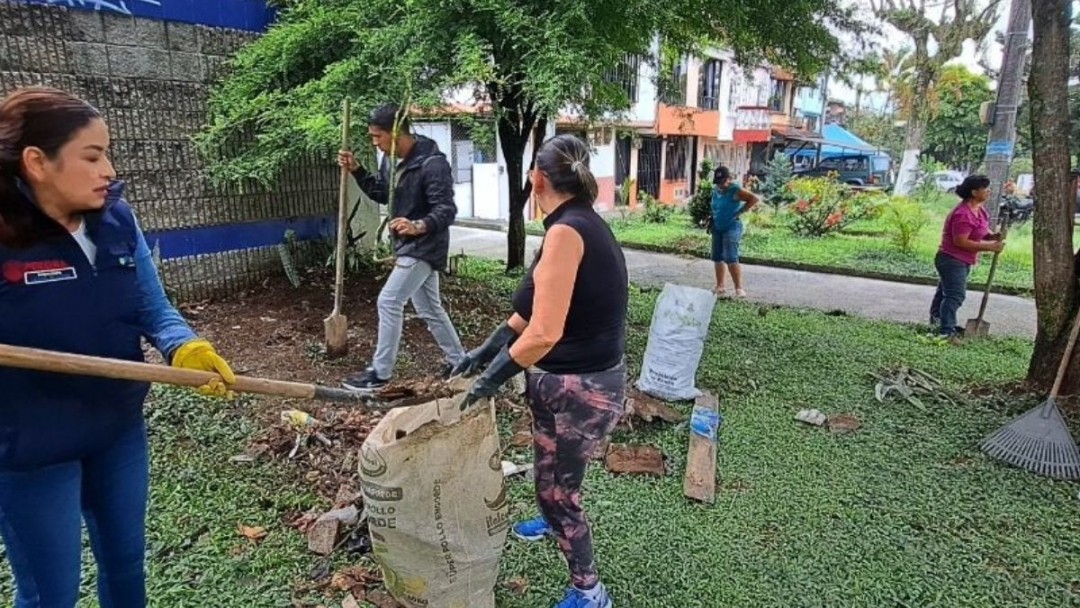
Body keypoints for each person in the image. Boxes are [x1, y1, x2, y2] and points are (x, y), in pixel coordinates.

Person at [0, 86, 235, 606]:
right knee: (49, 594)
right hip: (33, 447)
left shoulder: (116, 220)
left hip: (116, 431)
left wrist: (184, 346)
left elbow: (152, 307)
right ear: (38, 162)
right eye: (93, 156)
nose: (109, 169)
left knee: (127, 570)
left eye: (108, 153)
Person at [452, 134, 628, 608]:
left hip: (582, 389)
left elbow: (545, 333)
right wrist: (486, 349)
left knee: (559, 492)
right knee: (549, 477)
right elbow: (532, 310)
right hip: (566, 384)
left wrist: (491, 379)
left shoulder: (568, 233)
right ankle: (552, 524)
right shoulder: (573, 224)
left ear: (538, 178)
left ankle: (591, 593)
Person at [337, 104, 464, 391]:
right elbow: (383, 194)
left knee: (389, 301)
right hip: (408, 245)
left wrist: (418, 225)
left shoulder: (432, 163)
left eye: (377, 137)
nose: (375, 143)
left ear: (396, 134)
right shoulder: (390, 161)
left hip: (424, 246)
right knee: (429, 307)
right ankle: (460, 362)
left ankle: (380, 373)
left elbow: (446, 210)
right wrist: (357, 171)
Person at [930, 174, 1005, 339]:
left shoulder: (980, 210)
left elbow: (981, 231)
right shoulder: (963, 213)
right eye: (985, 189)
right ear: (974, 192)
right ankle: (947, 331)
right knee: (955, 295)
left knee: (945, 292)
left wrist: (992, 236)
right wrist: (990, 247)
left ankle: (937, 321)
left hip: (963, 260)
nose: (989, 191)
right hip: (951, 259)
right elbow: (960, 241)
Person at [709, 165, 759, 297]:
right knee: (717, 256)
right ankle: (720, 286)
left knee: (731, 256)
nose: (720, 185)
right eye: (717, 182)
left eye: (722, 182)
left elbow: (754, 199)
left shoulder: (735, 190)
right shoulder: (716, 191)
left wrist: (740, 211)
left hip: (732, 226)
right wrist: (711, 219)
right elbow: (715, 207)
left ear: (728, 179)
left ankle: (738, 288)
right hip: (717, 226)